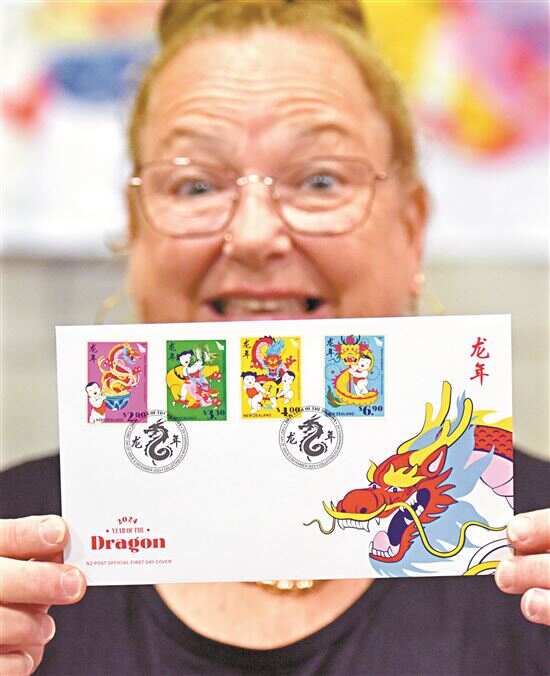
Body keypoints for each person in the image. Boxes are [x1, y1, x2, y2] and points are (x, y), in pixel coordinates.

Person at [1, 2, 548, 674]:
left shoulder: (532, 548)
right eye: (195, 185)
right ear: (136, 233)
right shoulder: (19, 550)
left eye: (320, 180)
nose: (254, 235)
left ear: (411, 229)